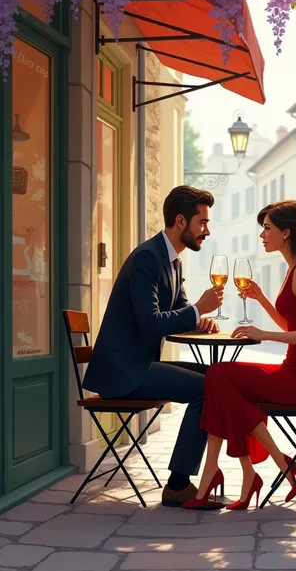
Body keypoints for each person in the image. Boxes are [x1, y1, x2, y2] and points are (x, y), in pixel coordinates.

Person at [182, 200, 296, 511]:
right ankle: (252, 473)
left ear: (286, 232)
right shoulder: (294, 269)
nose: (262, 235)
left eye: (267, 228)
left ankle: (249, 470)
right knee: (221, 380)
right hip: (294, 371)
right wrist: (261, 297)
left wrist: (263, 334)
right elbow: (292, 324)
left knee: (219, 375)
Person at [83, 185, 224, 507]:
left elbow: (182, 312)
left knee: (218, 376)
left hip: (139, 364)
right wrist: (198, 309)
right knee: (207, 389)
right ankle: (178, 484)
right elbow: (151, 321)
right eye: (202, 223)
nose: (207, 231)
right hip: (124, 372)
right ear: (180, 221)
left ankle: (201, 473)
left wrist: (201, 319)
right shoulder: (148, 257)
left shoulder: (173, 261)